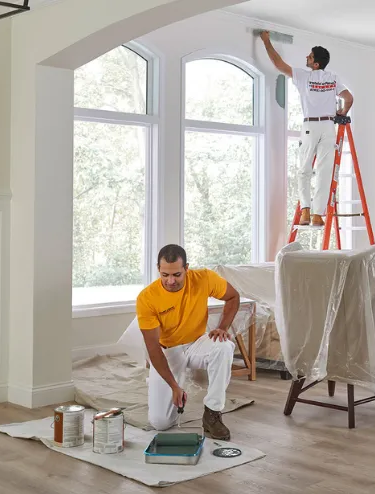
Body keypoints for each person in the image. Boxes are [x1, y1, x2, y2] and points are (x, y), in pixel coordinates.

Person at [136, 244, 240, 440]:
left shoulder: (204, 278)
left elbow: (233, 297)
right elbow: (153, 349)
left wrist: (223, 328)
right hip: (168, 352)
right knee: (160, 423)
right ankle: (175, 393)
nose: (170, 280)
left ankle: (212, 413)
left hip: (197, 343)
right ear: (158, 269)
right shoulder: (147, 298)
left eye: (176, 274)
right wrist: (174, 386)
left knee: (224, 346)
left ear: (186, 268)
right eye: (165, 275)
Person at [260, 31, 354, 226]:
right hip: (329, 126)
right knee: (324, 171)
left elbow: (278, 63)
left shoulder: (303, 76)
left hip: (310, 125)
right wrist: (342, 113)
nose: (306, 58)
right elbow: (349, 98)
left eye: (309, 56)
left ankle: (305, 211)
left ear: (316, 64)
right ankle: (318, 216)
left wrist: (266, 41)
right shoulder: (333, 78)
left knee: (304, 170)